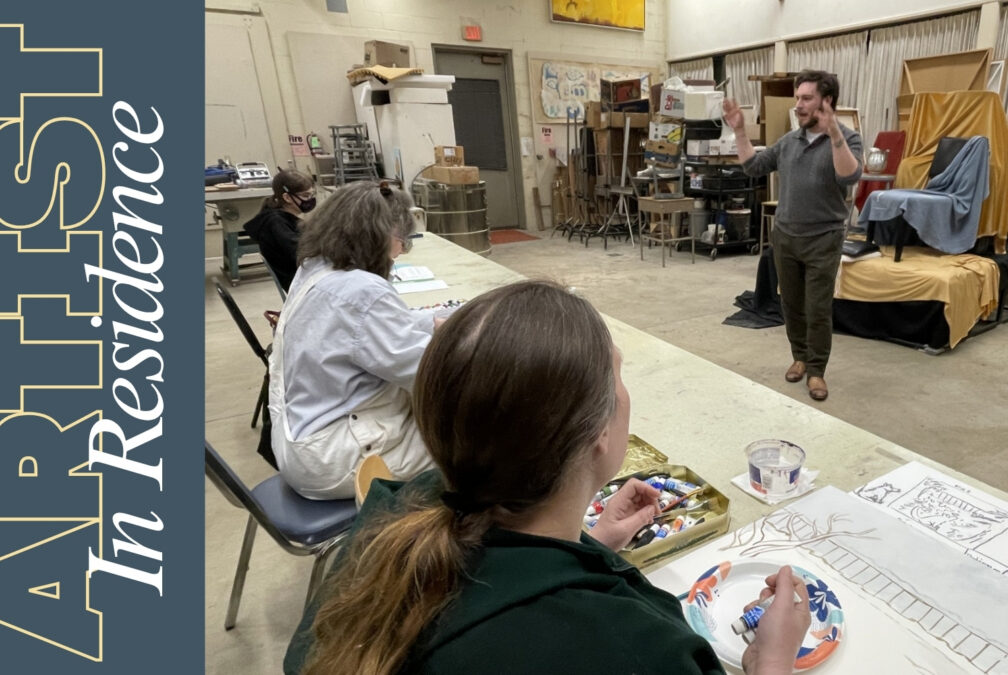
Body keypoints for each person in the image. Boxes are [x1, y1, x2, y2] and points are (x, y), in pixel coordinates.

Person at [283, 280, 811, 674]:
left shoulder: (397, 515)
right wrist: (773, 660)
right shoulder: (633, 648)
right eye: (618, 377)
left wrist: (589, 541)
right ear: (599, 432)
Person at [268, 180, 438, 500]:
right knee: (477, 437)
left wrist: (432, 322)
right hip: (335, 459)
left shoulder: (316, 270)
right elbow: (429, 372)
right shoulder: (362, 290)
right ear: (380, 235)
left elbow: (360, 328)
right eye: (402, 240)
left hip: (301, 442)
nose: (401, 251)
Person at [723, 70, 862, 402]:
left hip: (823, 238)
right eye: (797, 97)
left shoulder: (847, 139)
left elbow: (850, 175)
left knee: (817, 308)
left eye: (806, 98)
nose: (798, 105)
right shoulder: (790, 141)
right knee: (792, 304)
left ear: (826, 102)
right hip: (785, 236)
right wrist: (740, 131)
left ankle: (816, 371)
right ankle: (799, 356)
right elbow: (753, 166)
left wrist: (834, 136)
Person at [243, 168, 316, 291]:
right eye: (306, 195)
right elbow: (301, 252)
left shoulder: (282, 217)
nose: (310, 199)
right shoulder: (276, 222)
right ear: (287, 197)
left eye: (312, 194)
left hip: (302, 276)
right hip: (299, 283)